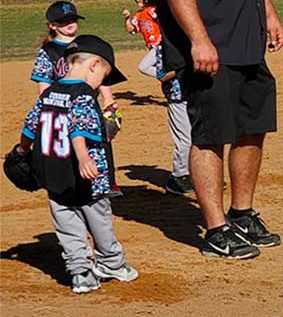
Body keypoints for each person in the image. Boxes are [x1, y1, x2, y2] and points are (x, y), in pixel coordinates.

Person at [155, 0, 283, 259]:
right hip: (208, 44)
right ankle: (216, 231)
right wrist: (199, 39)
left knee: (252, 128)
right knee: (210, 134)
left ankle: (241, 214)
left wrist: (268, 13)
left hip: (247, 42)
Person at [17, 35, 138, 294]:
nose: (101, 84)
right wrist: (84, 156)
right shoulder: (83, 95)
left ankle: (81, 273)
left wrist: (20, 151)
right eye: (104, 76)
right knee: (98, 219)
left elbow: (29, 126)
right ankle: (111, 262)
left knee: (66, 223)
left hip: (53, 173)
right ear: (94, 65)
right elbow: (77, 129)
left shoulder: (49, 92)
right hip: (88, 175)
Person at [32, 2, 119, 121]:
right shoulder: (48, 51)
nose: (70, 23)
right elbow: (44, 84)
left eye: (73, 19)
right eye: (64, 21)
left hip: (86, 103)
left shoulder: (88, 45)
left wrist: (108, 98)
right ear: (52, 25)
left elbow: (101, 73)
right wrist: (48, 106)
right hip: (61, 106)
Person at [154, 43, 193, 195]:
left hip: (197, 95)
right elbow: (161, 75)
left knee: (201, 138)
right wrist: (184, 66)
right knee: (185, 141)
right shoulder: (164, 46)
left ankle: (196, 175)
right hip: (178, 98)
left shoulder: (196, 42)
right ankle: (178, 178)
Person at [121, 0, 161, 78]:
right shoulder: (139, 14)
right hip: (152, 48)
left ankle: (168, 76)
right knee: (159, 69)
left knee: (143, 67)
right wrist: (127, 19)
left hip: (160, 46)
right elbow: (132, 30)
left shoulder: (152, 10)